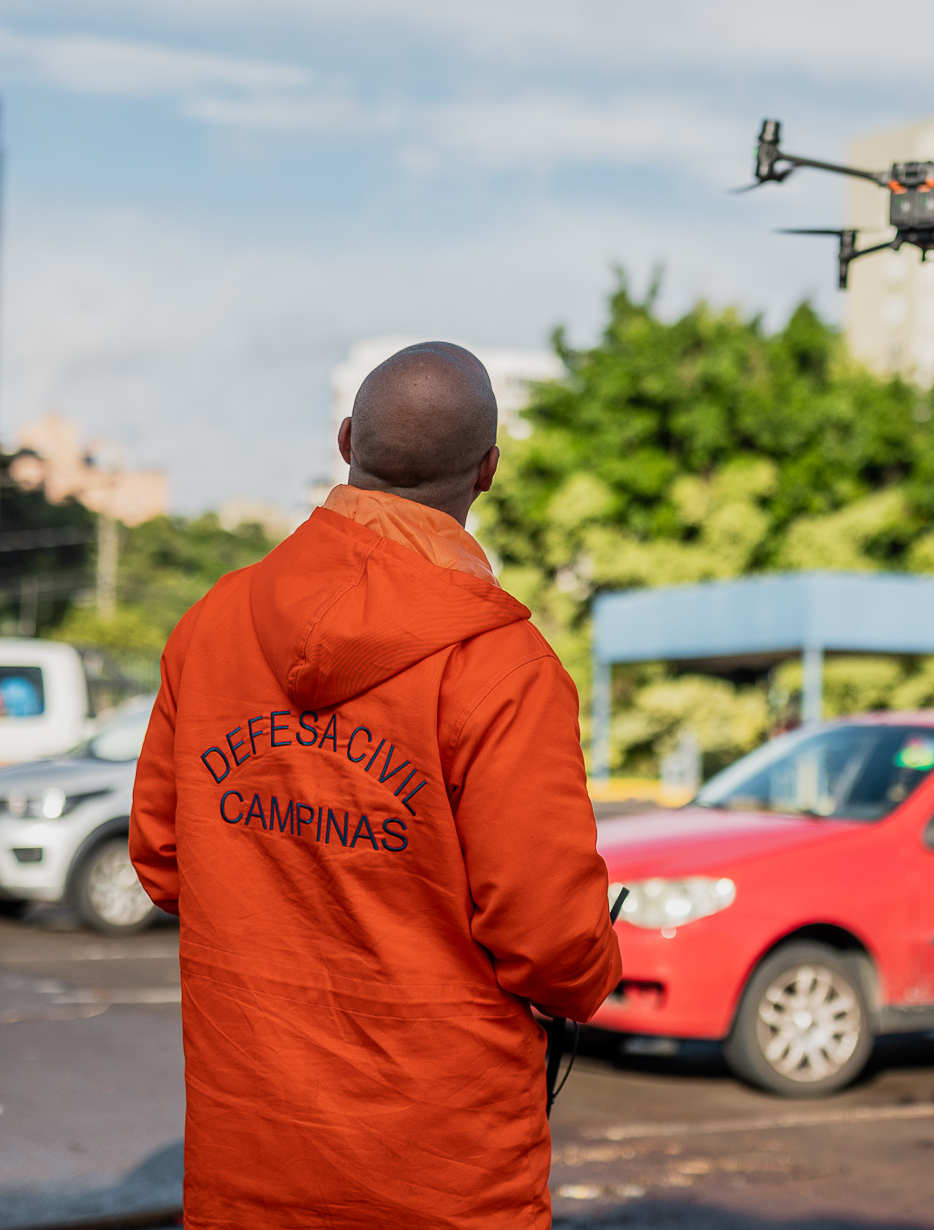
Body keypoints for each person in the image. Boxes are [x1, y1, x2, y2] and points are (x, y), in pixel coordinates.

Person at [131, 342, 622, 1229]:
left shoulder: (212, 625)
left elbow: (165, 862)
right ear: (487, 471)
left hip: (251, 1155)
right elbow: (552, 941)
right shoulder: (504, 666)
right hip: (443, 1170)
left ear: (347, 438)